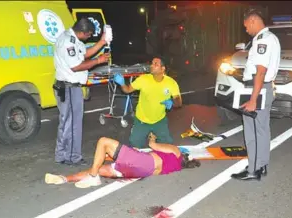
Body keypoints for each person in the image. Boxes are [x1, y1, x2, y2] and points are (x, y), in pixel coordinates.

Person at [45, 133, 201, 188]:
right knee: (97, 166)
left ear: (183, 155)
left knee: (103, 141)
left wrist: (152, 137)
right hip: (141, 171)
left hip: (143, 163)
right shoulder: (175, 166)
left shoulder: (175, 151)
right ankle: (64, 179)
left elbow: (152, 145)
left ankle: (92, 178)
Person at [53, 18, 111, 166]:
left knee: (66, 122)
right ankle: (73, 157)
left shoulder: (71, 38)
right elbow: (76, 66)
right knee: (73, 124)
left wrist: (102, 43)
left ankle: (61, 154)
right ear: (83, 32)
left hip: (67, 87)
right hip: (69, 88)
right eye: (89, 35)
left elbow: (83, 54)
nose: (89, 38)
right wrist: (98, 61)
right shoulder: (68, 42)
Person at [231, 8, 281, 181]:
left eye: (246, 26)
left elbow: (260, 71)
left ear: (252, 21)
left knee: (253, 131)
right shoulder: (270, 39)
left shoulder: (263, 40)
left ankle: (253, 170)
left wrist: (253, 99)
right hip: (261, 88)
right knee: (261, 129)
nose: (246, 30)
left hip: (257, 88)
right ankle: (260, 164)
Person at [113, 57, 182, 148]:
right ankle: (147, 134)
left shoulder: (171, 83)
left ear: (163, 68)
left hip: (159, 120)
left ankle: (153, 135)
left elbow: (179, 102)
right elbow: (128, 90)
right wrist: (122, 84)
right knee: (135, 144)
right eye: (152, 63)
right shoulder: (144, 79)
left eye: (155, 64)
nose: (151, 66)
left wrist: (172, 102)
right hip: (142, 120)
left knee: (168, 146)